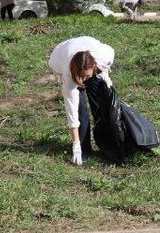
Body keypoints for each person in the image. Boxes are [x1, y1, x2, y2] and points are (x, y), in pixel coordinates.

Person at [48, 36, 115, 165]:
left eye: (87, 76)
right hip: (62, 55)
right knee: (80, 109)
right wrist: (76, 144)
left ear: (94, 66)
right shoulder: (68, 73)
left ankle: (106, 144)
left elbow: (108, 56)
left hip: (91, 51)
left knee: (100, 104)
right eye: (81, 76)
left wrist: (104, 75)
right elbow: (71, 112)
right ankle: (84, 149)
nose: (84, 80)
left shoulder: (104, 57)